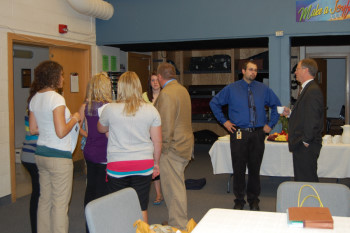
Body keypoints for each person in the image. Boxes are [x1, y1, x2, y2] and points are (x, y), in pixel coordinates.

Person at [210, 60, 281, 211]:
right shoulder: (231, 89)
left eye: (255, 70)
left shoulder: (263, 89)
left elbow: (277, 105)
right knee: (239, 168)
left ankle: (254, 199)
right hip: (239, 133)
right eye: (250, 70)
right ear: (243, 71)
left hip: (258, 134)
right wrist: (225, 122)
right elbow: (214, 103)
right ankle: (239, 200)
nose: (253, 72)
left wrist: (271, 124)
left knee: (255, 168)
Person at [97, 71, 162, 223]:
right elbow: (157, 141)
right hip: (143, 164)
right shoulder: (151, 109)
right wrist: (156, 163)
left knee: (118, 208)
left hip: (118, 165)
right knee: (141, 208)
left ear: (120, 88)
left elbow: (100, 129)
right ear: (138, 87)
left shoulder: (110, 109)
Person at [28, 60, 81, 233]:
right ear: (54, 76)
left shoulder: (35, 98)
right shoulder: (56, 98)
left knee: (44, 201)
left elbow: (34, 129)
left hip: (41, 154)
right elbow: (61, 132)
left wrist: (49, 128)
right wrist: (75, 118)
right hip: (58, 158)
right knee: (59, 204)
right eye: (62, 74)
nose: (63, 78)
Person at [154, 62, 194, 230]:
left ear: (160, 77)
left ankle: (178, 225)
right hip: (185, 144)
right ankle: (176, 220)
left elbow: (166, 125)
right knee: (177, 185)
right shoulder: (182, 89)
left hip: (173, 148)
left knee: (173, 189)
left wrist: (162, 149)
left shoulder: (167, 94)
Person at [78, 72, 112, 232]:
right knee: (103, 192)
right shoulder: (108, 108)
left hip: (89, 152)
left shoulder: (85, 106)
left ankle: (88, 225)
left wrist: (89, 135)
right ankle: (100, 225)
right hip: (103, 155)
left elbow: (78, 126)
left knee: (90, 188)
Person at [282, 58, 324, 182]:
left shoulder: (312, 90)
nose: (295, 72)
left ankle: (310, 201)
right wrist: (290, 113)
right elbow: (306, 114)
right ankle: (306, 201)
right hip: (303, 143)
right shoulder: (308, 89)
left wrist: (306, 140)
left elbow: (313, 118)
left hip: (306, 145)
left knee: (307, 179)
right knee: (302, 178)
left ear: (305, 70)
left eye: (298, 69)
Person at [142, 72, 163, 205]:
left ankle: (163, 191)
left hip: (162, 132)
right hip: (148, 133)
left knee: (161, 163)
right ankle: (158, 193)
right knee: (152, 163)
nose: (155, 82)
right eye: (152, 80)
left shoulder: (165, 95)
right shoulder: (144, 96)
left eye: (157, 80)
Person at [21, 113, 39, 233]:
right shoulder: (36, 112)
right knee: (39, 193)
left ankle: (36, 227)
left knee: (37, 192)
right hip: (34, 155)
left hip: (26, 154)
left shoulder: (29, 110)